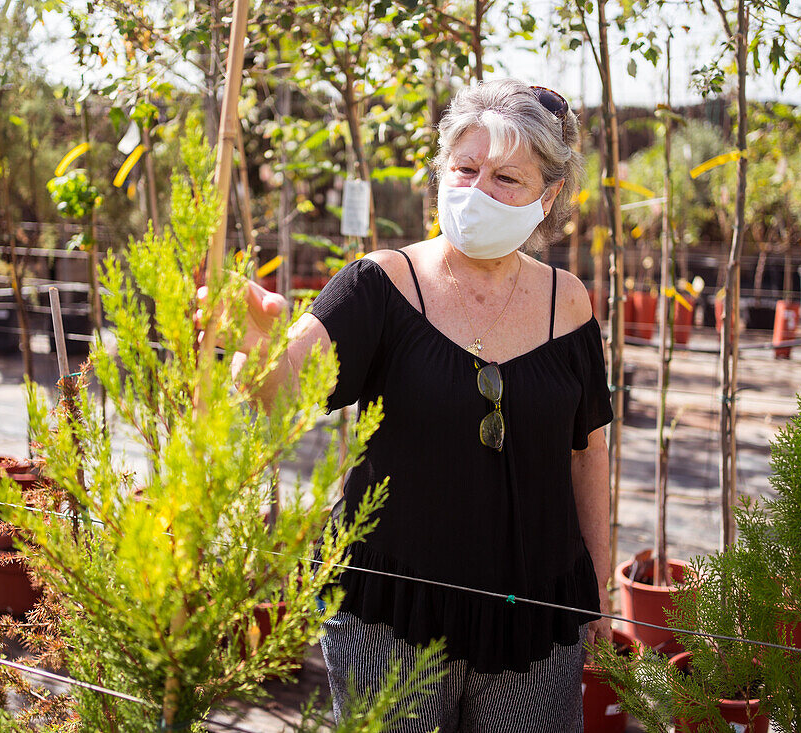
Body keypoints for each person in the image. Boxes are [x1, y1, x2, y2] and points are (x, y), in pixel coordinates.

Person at [228, 78, 612, 732]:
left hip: (536, 622)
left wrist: (599, 596)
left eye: (505, 179)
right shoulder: (378, 285)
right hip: (390, 621)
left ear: (548, 198)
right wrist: (251, 347)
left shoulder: (568, 301)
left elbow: (587, 455)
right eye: (465, 169)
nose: (477, 190)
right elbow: (282, 392)